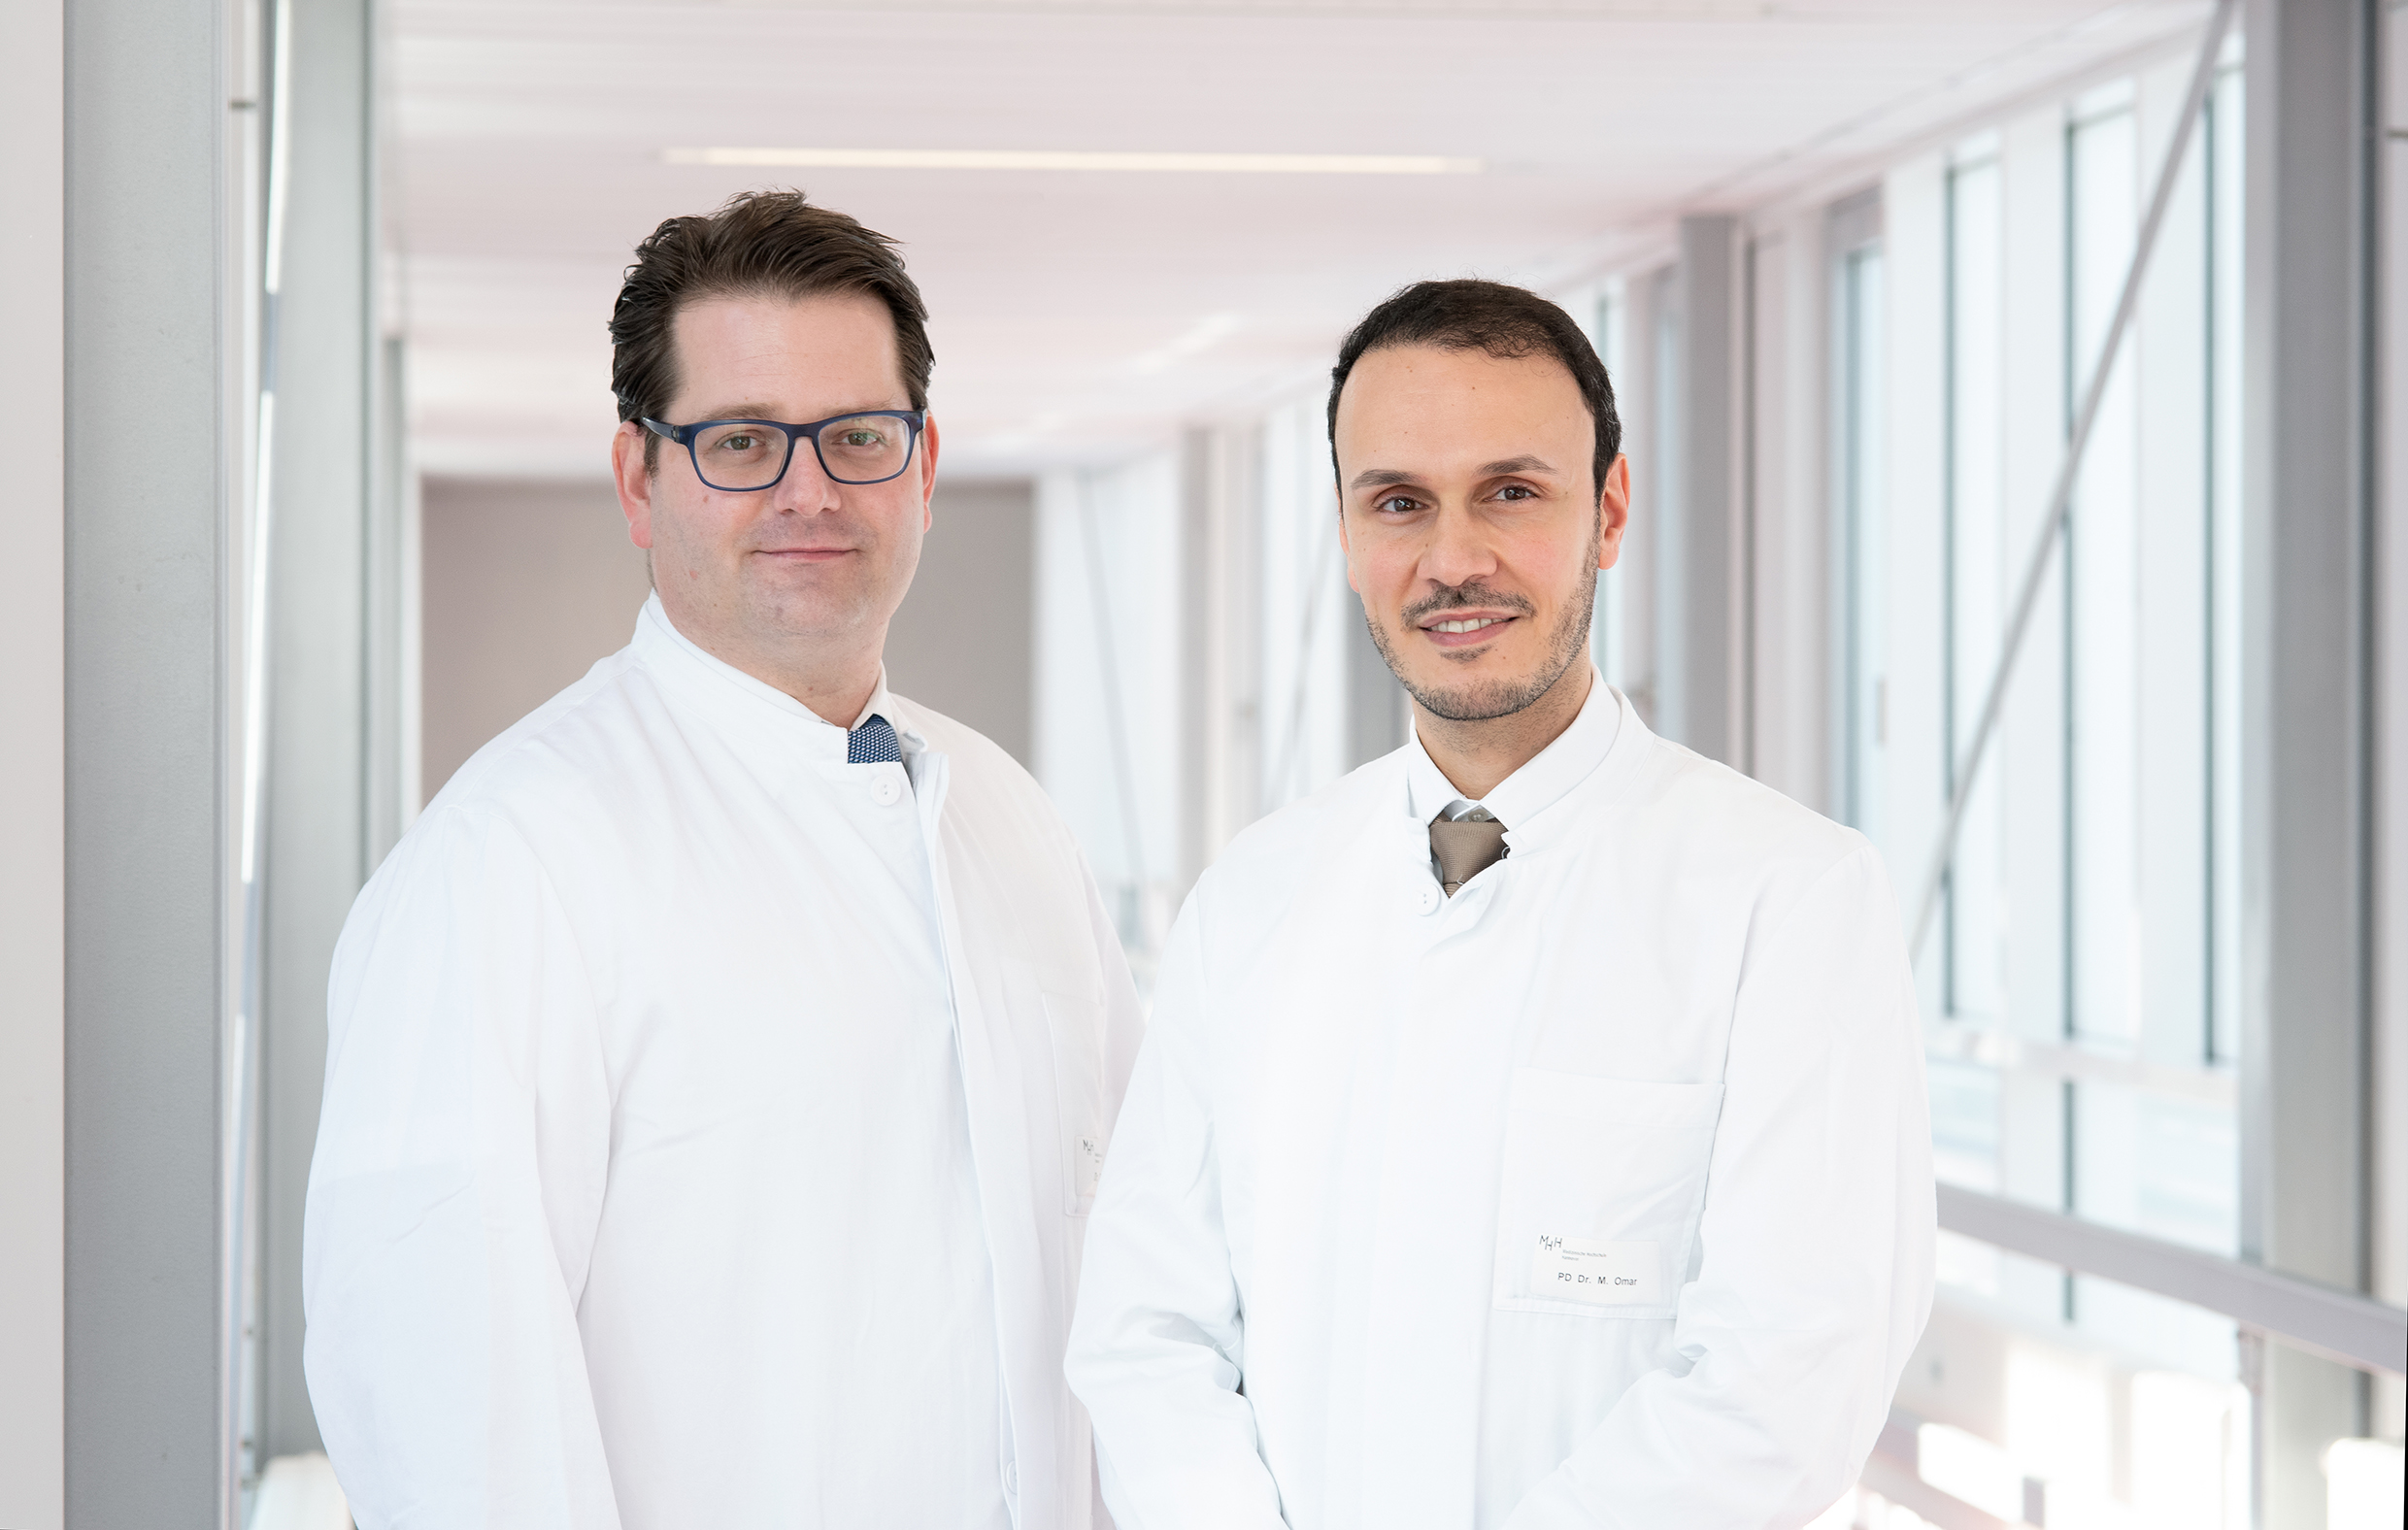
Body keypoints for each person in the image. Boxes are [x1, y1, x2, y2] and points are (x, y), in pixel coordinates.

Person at [305, 190, 1141, 1530]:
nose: (808, 490)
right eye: (742, 442)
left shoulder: (1009, 816)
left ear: (922, 470)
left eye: (859, 438)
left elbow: (1132, 1267)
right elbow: (443, 1408)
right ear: (643, 480)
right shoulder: (511, 859)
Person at [1064, 279, 1935, 1529]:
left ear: (1609, 511)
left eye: (1511, 492)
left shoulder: (1791, 898)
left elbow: (1789, 1376)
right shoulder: (1251, 898)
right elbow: (1149, 1331)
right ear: (1350, 534)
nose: (1454, 559)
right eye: (1400, 502)